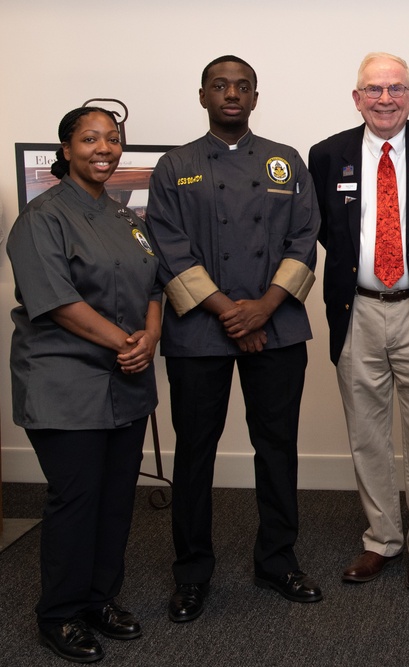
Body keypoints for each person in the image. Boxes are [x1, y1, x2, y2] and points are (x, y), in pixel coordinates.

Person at [146, 55, 322, 623]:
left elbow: (305, 238)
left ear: (254, 96)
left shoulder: (284, 161)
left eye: (242, 86)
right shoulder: (175, 167)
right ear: (202, 96)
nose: (231, 94)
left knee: (277, 447)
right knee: (194, 453)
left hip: (277, 326)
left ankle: (277, 560)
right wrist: (231, 314)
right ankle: (192, 573)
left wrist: (264, 309)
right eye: (220, 85)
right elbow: (168, 248)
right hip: (200, 330)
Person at [7, 107, 160, 663]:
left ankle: (100, 599)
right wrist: (128, 343)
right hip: (64, 380)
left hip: (127, 379)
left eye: (113, 140)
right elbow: (59, 303)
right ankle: (60, 615)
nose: (104, 148)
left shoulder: (126, 218)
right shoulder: (41, 218)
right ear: (65, 149)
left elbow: (155, 285)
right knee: (76, 498)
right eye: (90, 138)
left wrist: (149, 336)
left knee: (117, 498)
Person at [309, 52, 409, 590]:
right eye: (373, 89)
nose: (384, 99)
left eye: (396, 88)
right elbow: (328, 230)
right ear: (356, 98)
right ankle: (381, 539)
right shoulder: (327, 155)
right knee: (367, 436)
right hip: (357, 310)